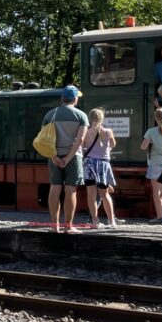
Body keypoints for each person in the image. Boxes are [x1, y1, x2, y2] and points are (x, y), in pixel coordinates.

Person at [43, 85, 89, 233]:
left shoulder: (50, 114)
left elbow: (44, 140)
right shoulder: (81, 115)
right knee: (71, 190)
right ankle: (68, 227)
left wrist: (54, 156)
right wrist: (69, 158)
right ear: (75, 99)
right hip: (73, 157)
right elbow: (80, 139)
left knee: (55, 188)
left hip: (54, 156)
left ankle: (54, 226)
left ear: (62, 99)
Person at [82, 108, 119, 229]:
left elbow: (82, 147)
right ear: (102, 118)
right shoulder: (108, 131)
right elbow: (113, 144)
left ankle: (95, 221)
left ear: (90, 118)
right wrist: (106, 150)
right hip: (104, 164)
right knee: (104, 194)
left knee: (91, 194)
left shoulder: (86, 132)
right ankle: (111, 221)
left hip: (89, 165)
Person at [140, 107, 162, 223]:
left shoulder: (151, 132)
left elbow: (143, 147)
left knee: (157, 192)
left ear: (155, 118)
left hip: (155, 164)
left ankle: (159, 217)